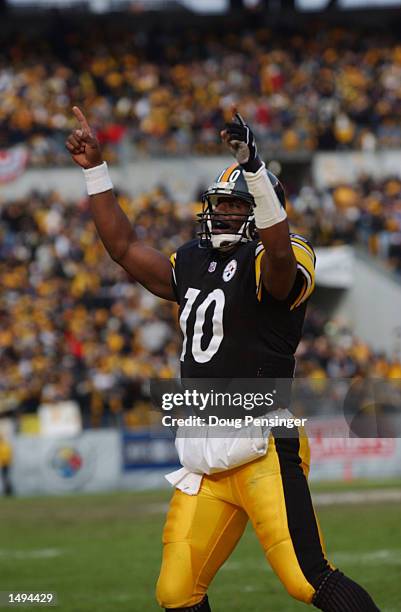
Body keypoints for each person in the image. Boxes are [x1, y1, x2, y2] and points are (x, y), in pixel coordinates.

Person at [65, 106, 380, 611]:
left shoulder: (285, 253)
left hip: (261, 444)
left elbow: (278, 263)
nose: (224, 214)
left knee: (307, 578)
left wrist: (254, 168)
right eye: (222, 205)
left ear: (262, 208)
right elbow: (124, 248)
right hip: (205, 453)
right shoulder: (193, 259)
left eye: (238, 206)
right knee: (176, 591)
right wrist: (94, 171)